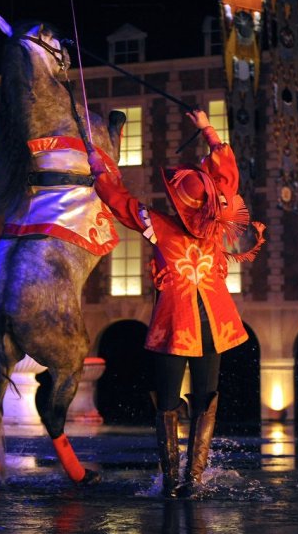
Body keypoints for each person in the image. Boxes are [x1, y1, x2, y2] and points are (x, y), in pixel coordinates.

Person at [87, 109, 265, 498]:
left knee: (189, 400)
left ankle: (185, 479)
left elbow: (123, 203)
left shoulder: (176, 226)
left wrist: (99, 170)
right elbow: (226, 177)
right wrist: (208, 131)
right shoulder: (192, 226)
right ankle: (181, 479)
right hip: (193, 325)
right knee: (186, 399)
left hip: (193, 326)